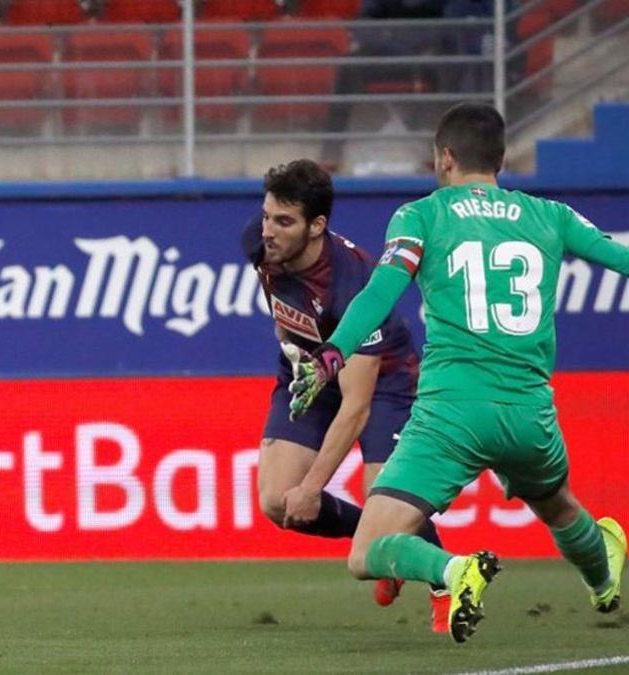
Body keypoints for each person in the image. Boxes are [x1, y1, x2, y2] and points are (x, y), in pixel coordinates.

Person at [287, 103, 627, 643]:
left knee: (366, 551)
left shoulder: (422, 215)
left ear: (444, 157)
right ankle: (604, 580)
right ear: (503, 158)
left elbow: (381, 291)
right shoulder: (552, 216)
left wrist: (333, 353)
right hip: (530, 415)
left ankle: (453, 570)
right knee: (558, 505)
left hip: (451, 414)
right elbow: (621, 258)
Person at [243, 159, 449, 632]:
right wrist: (291, 346)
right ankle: (381, 540)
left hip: (384, 384)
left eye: (284, 221)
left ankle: (437, 569)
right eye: (267, 215)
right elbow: (278, 299)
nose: (268, 230)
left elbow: (355, 406)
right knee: (276, 500)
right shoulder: (260, 242)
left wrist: (314, 488)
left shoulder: (353, 284)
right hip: (310, 368)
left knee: (384, 498)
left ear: (318, 226)